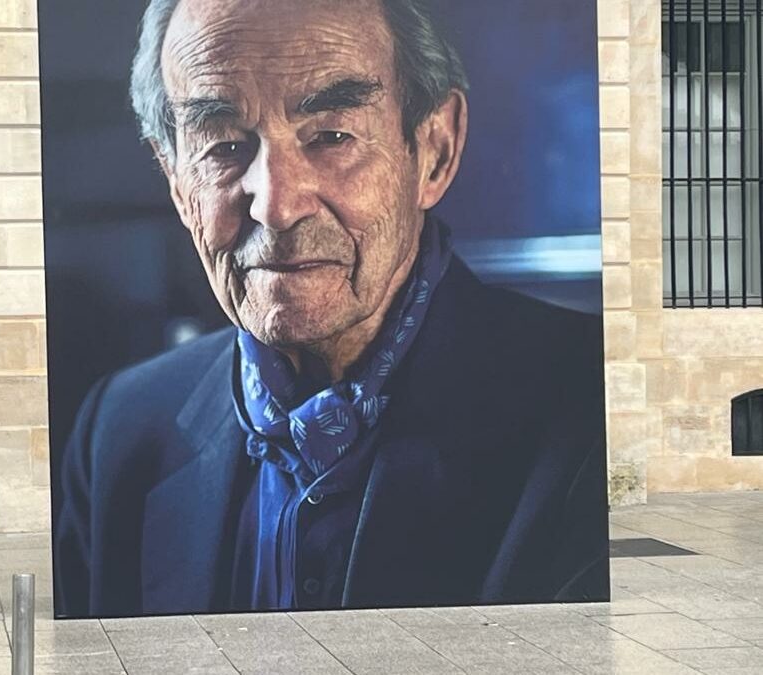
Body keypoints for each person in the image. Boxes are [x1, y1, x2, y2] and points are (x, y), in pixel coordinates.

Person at [53, 0, 609, 618]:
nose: (277, 205)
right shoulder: (118, 432)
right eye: (223, 146)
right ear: (177, 180)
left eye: (331, 137)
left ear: (435, 150)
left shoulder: (591, 412)